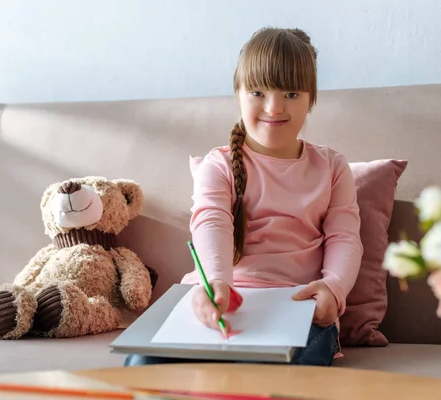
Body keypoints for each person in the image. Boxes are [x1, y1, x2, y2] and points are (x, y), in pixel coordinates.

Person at [124, 27, 363, 367]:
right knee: (141, 364)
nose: (274, 107)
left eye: (292, 94)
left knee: (295, 376)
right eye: (257, 92)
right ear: (238, 93)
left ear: (312, 98)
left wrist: (334, 288)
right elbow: (212, 222)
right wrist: (217, 283)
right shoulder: (217, 164)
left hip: (298, 309)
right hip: (220, 301)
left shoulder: (332, 166)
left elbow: (345, 237)